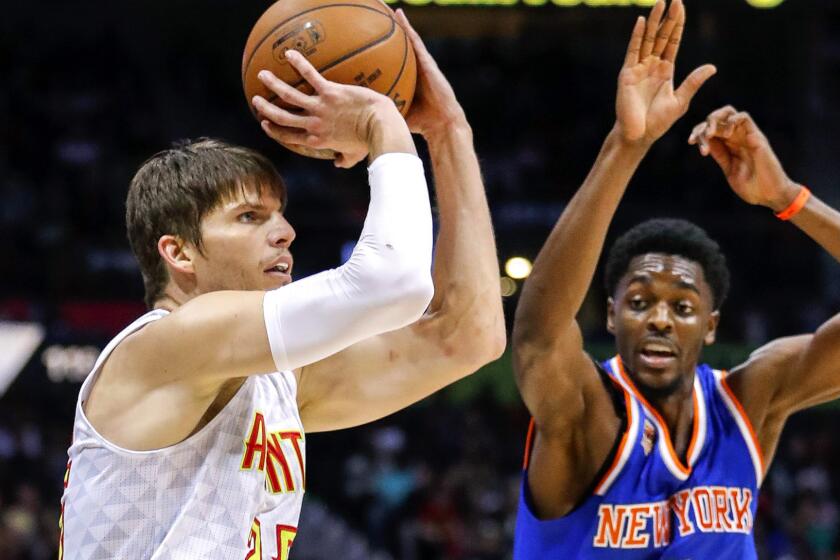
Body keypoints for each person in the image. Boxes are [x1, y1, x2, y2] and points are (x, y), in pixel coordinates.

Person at [59, 11, 505, 560]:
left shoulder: (276, 383)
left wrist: (448, 133)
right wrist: (381, 122)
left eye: (279, 215)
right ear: (177, 252)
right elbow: (392, 281)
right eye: (250, 217)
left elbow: (468, 336)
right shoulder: (168, 344)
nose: (285, 233)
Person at [511, 0, 840, 557]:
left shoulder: (749, 401)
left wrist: (788, 199)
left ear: (711, 326)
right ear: (611, 316)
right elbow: (538, 336)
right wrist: (627, 146)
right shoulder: (586, 413)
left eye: (682, 307)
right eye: (639, 301)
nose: (660, 317)